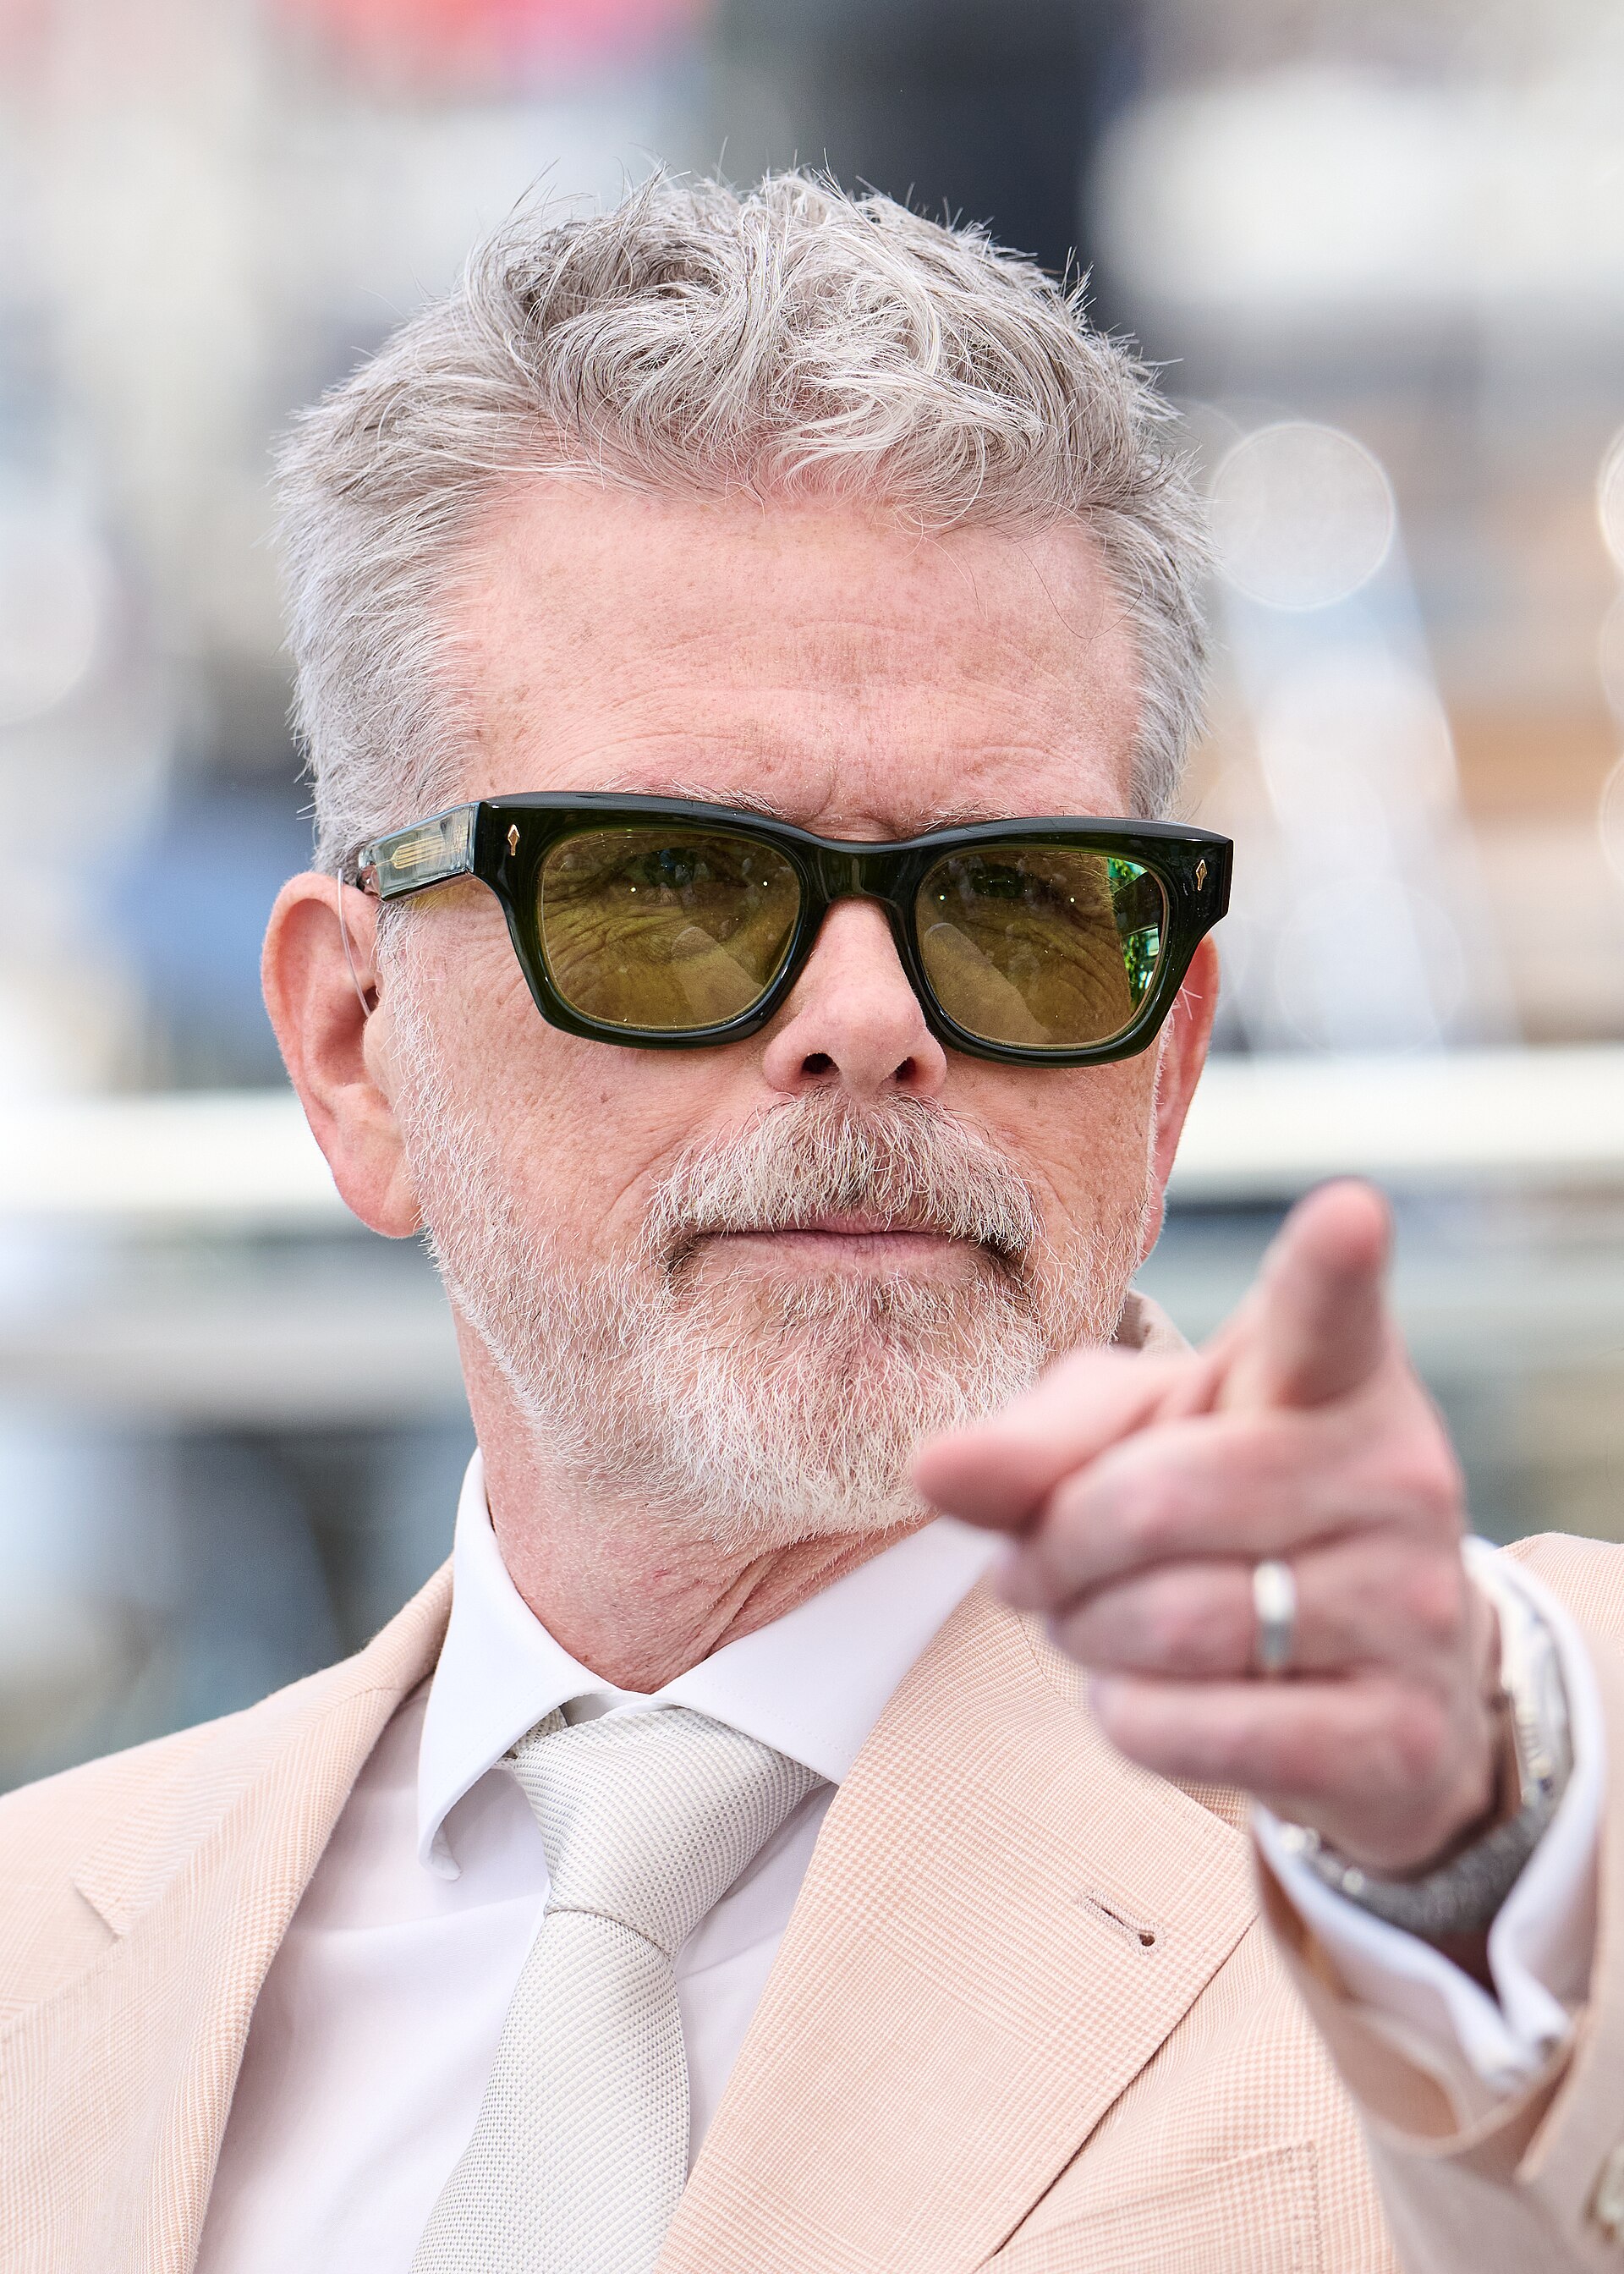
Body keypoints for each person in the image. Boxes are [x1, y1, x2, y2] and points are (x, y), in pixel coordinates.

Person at [1, 172, 1618, 2274]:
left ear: (1171, 1054)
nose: (869, 1023)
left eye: (1024, 905)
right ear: (350, 1046)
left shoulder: (1475, 1815)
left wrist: (1479, 1825)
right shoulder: (54, 1944)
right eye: (669, 890)